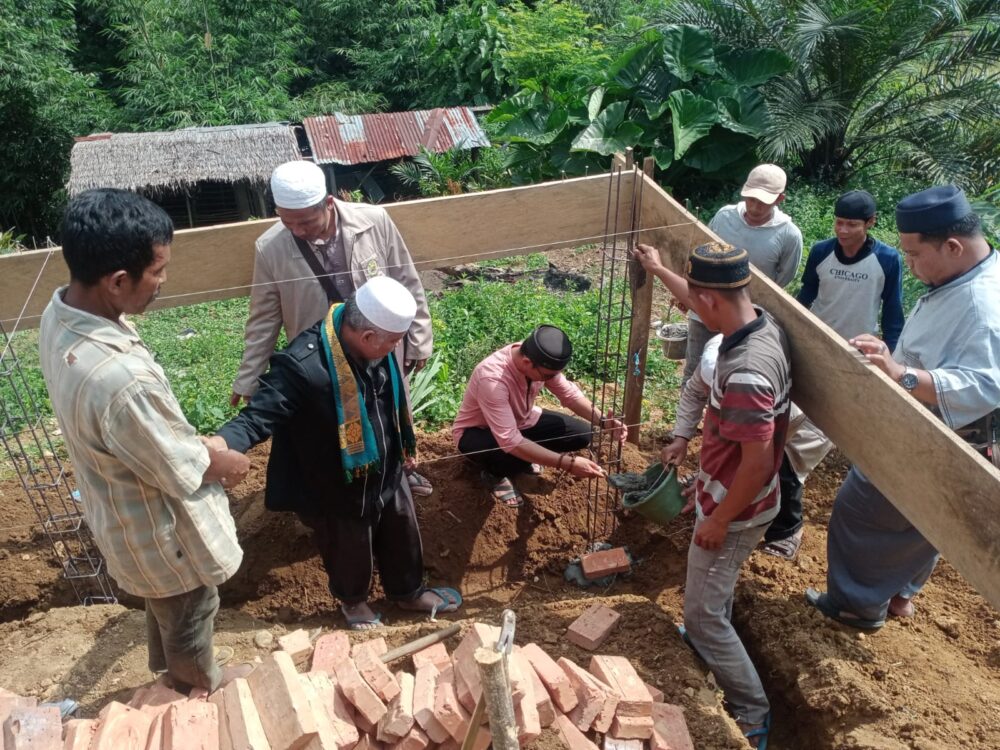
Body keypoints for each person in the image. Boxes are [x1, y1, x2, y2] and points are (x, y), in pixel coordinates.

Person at [38, 189, 249, 693]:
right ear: (117, 281)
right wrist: (225, 460)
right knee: (192, 608)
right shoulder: (119, 379)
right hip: (159, 528)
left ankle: (171, 673)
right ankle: (198, 685)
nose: (163, 281)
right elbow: (180, 467)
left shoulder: (59, 313)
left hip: (120, 510)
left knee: (168, 604)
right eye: (158, 271)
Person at [216, 277, 461, 630]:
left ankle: (408, 593)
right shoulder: (303, 364)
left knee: (401, 529)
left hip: (386, 466)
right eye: (393, 341)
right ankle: (354, 604)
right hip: (336, 479)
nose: (397, 348)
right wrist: (222, 444)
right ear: (367, 337)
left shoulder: (374, 348)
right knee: (349, 545)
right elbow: (258, 417)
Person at [806, 185, 1000, 628]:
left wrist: (901, 374)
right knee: (926, 520)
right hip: (942, 430)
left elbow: (986, 385)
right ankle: (899, 594)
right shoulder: (968, 274)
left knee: (861, 510)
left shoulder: (983, 304)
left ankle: (856, 606)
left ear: (952, 246)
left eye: (914, 255)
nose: (909, 267)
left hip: (939, 432)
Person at [634, 240, 791, 749]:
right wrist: (659, 270)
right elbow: (698, 293)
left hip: (739, 509)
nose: (687, 306)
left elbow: (759, 462)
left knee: (704, 615)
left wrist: (719, 518)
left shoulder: (746, 373)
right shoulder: (759, 322)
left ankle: (750, 709)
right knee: (703, 605)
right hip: (725, 494)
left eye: (691, 301)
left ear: (711, 303)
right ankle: (705, 645)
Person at [230, 159, 435, 497]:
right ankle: (346, 483)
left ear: (328, 204)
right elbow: (264, 317)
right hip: (321, 357)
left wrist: (419, 338)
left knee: (391, 407)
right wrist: (249, 377)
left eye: (306, 221)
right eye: (287, 221)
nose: (297, 230)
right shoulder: (270, 247)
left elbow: (406, 280)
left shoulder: (373, 221)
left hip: (381, 341)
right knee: (334, 418)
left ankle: (399, 470)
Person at [760, 190, 905, 561]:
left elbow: (893, 310)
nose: (843, 230)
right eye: (839, 222)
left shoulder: (886, 260)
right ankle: (762, 480)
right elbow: (807, 293)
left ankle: (787, 508)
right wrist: (785, 327)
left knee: (817, 432)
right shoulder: (823, 251)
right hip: (811, 346)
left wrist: (890, 352)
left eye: (852, 224)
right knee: (781, 417)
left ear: (870, 223)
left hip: (853, 356)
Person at [452, 325, 625, 507]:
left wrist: (604, 422)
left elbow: (570, 396)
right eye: (548, 376)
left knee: (581, 435)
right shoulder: (492, 379)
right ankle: (494, 474)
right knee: (511, 454)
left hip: (522, 421)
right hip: (479, 433)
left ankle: (523, 459)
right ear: (527, 363)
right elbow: (509, 439)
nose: (551, 379)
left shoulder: (538, 360)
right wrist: (567, 463)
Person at [681, 164, 802, 388]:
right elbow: (702, 254)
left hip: (746, 320)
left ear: (780, 199)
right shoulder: (725, 217)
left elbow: (783, 278)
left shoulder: (788, 234)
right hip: (704, 311)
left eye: (763, 202)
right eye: (751, 199)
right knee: (694, 370)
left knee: (736, 376)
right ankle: (689, 421)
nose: (755, 207)